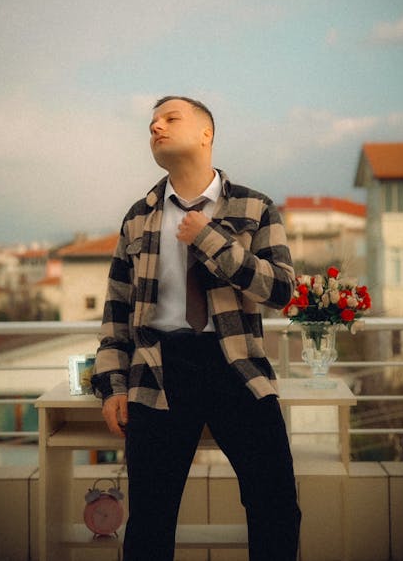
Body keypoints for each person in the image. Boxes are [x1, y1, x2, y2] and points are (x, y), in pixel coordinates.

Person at [91, 96, 301, 561]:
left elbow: (283, 291)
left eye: (170, 118)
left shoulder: (256, 207)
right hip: (158, 368)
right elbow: (116, 310)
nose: (156, 128)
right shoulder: (138, 216)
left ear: (206, 133)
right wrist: (111, 385)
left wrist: (208, 238)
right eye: (151, 125)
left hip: (238, 366)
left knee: (276, 506)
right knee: (149, 519)